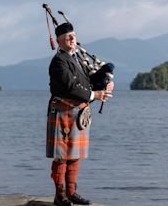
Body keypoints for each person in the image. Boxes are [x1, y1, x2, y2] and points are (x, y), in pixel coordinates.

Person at [46, 22, 114, 206]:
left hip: (77, 112)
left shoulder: (75, 58)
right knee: (62, 155)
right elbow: (70, 87)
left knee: (74, 155)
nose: (72, 38)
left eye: (73, 35)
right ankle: (60, 196)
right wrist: (94, 95)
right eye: (67, 36)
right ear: (59, 40)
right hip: (63, 109)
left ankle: (71, 192)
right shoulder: (59, 61)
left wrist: (105, 80)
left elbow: (87, 81)